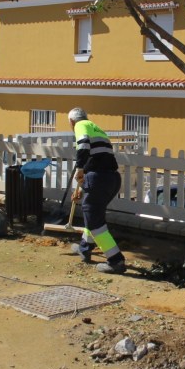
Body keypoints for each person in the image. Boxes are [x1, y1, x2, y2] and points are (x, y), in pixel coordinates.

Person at [68, 107, 126, 274]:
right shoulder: (96, 128)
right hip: (111, 178)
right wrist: (82, 186)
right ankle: (84, 248)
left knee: (94, 219)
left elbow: (83, 147)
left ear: (72, 122)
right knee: (92, 213)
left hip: (99, 178)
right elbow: (96, 159)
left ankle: (116, 260)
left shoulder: (80, 126)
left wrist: (79, 169)